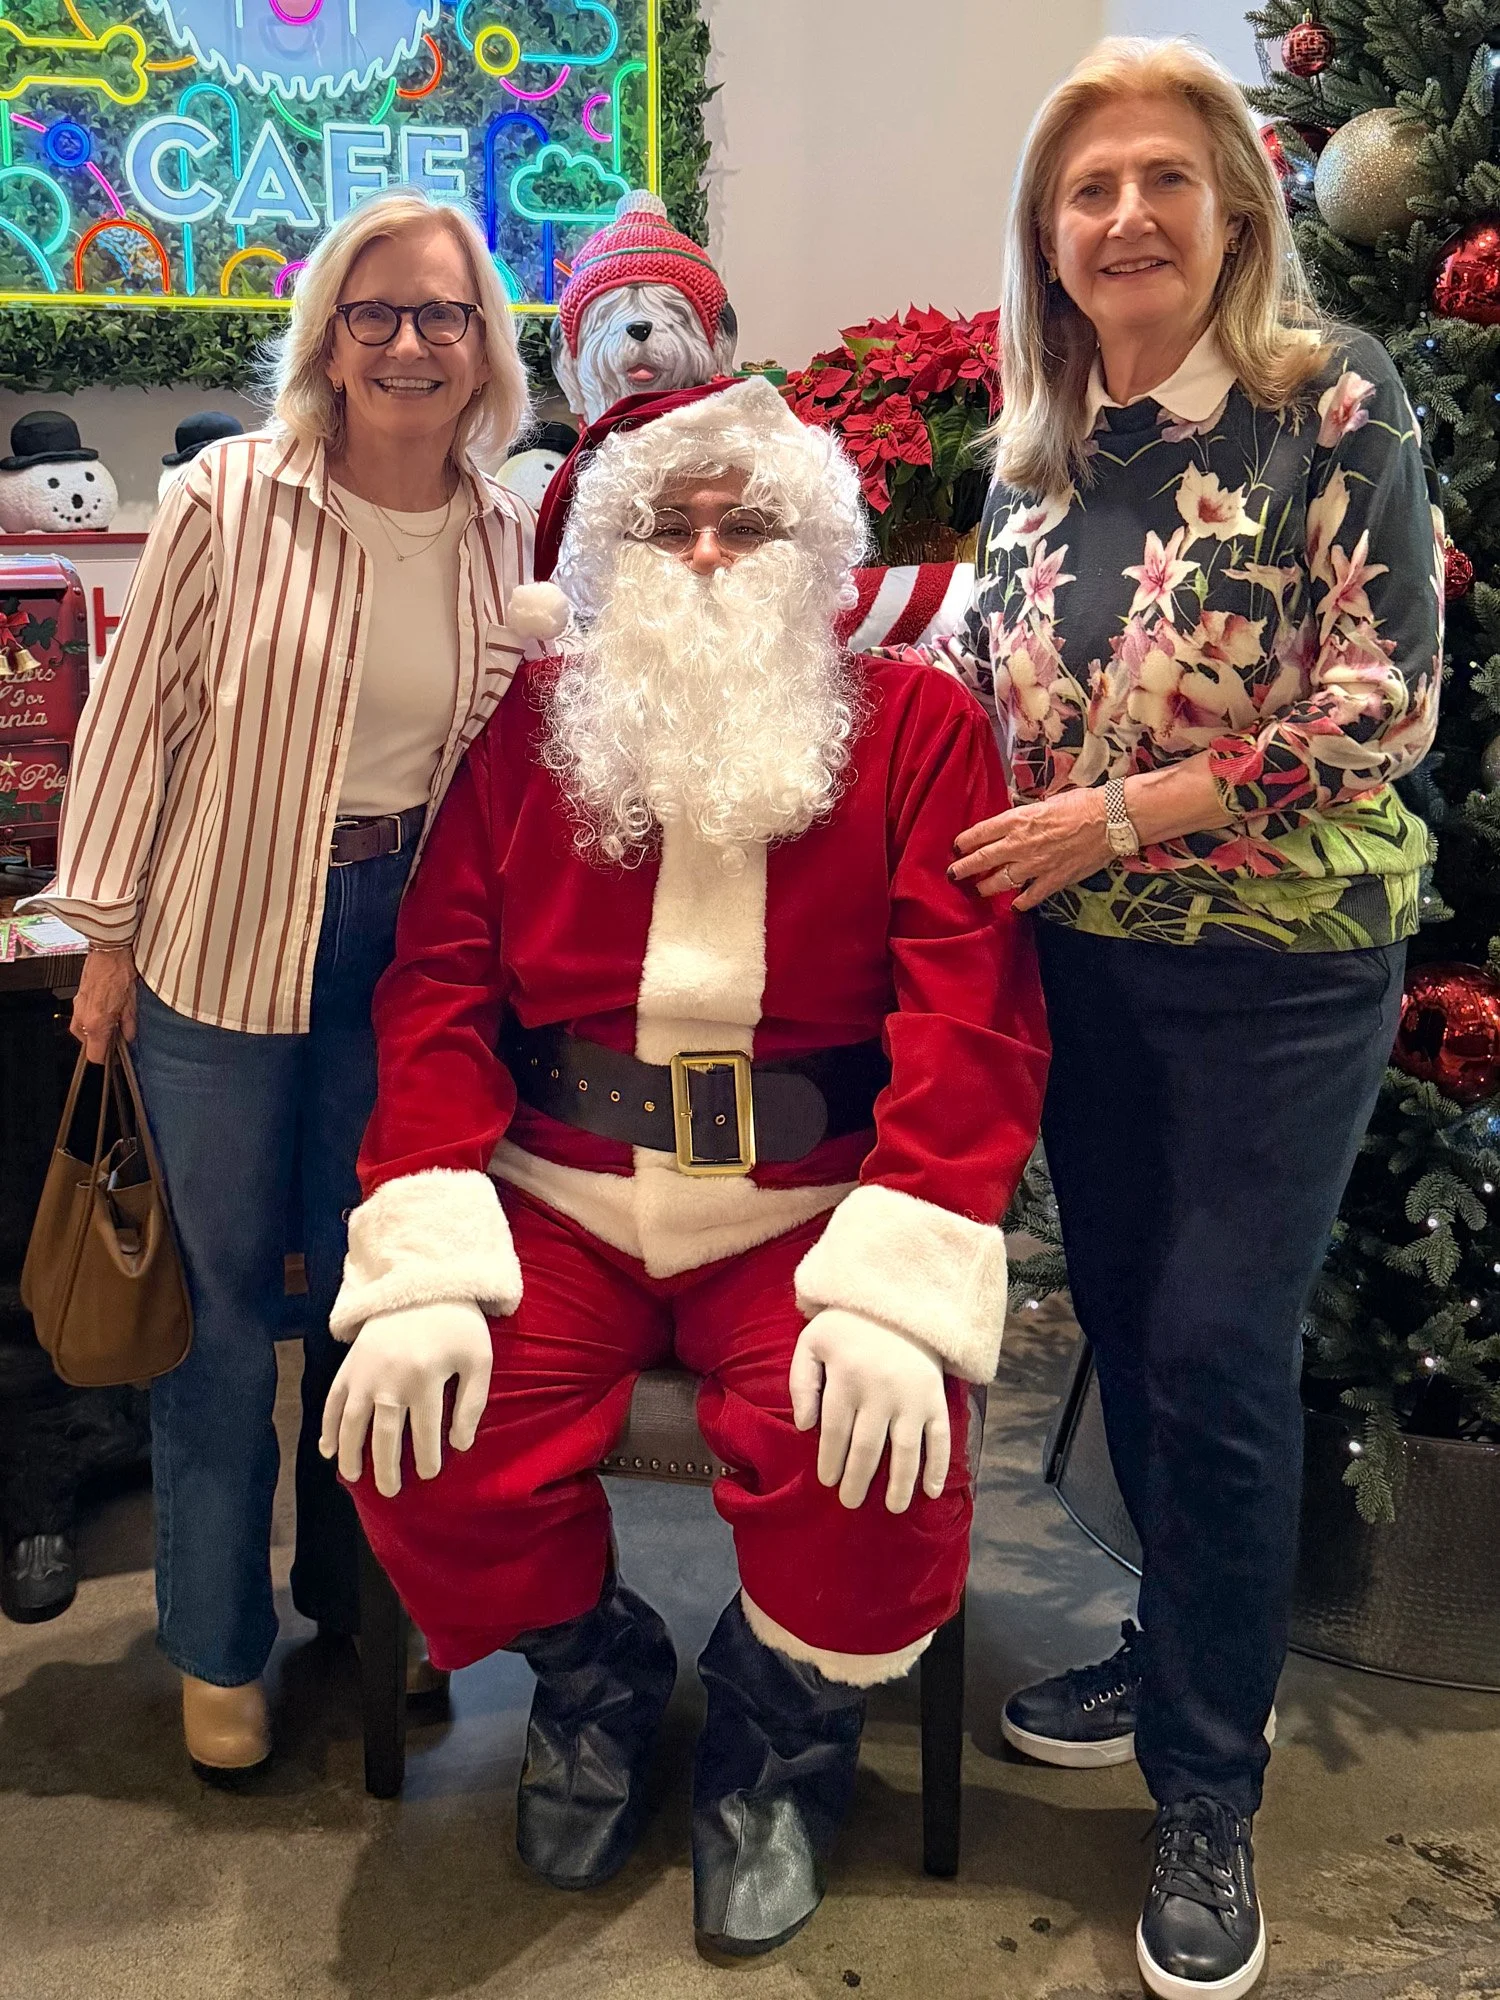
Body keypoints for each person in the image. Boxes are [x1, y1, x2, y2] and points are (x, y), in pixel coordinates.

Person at [319, 376, 1050, 1955]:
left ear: (819, 549)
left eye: (750, 521)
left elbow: (969, 1015)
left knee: (878, 1453)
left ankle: (781, 1726)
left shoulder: (919, 727)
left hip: (814, 1206)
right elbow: (439, 985)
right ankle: (596, 1674)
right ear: (614, 553)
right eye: (671, 524)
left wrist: (902, 1268)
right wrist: (433, 1239)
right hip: (562, 1191)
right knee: (417, 1430)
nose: (710, 552)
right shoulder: (536, 730)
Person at [932, 37, 1442, 2000]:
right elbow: (972, 679)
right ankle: (1181, 1641)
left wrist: (1119, 813)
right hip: (1083, 972)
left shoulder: (1331, 402)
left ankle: (1208, 1788)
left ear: (1232, 201)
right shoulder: (1042, 452)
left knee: (1221, 1351)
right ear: (1049, 242)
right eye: (1088, 188)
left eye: (1164, 174)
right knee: (1136, 1336)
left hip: (1281, 978)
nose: (1126, 213)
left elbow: (1381, 702)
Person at [27, 189, 537, 1777]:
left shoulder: (507, 522)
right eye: (373, 311)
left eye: (441, 314)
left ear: (483, 345)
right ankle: (216, 1641)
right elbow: (131, 724)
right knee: (224, 1317)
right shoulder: (226, 497)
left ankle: (360, 1604)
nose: (406, 342)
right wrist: (101, 941)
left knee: (379, 1294)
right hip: (222, 934)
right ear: (327, 331)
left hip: (418, 948)